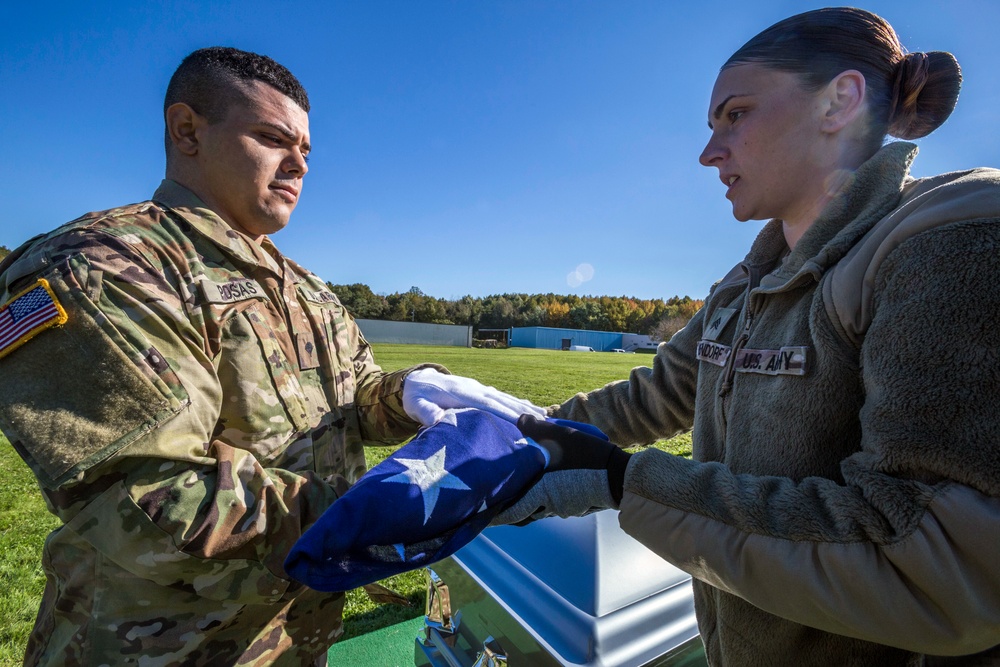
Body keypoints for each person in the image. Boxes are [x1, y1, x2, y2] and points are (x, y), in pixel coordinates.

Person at [0, 47, 541, 666]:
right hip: (160, 647)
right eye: (272, 138)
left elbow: (353, 390)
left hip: (293, 636)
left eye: (306, 152)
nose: (297, 165)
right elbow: (148, 501)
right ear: (187, 130)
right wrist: (390, 509)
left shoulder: (298, 284)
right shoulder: (100, 267)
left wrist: (404, 391)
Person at [498, 7, 1000, 666]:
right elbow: (646, 399)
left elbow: (936, 567)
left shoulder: (945, 238)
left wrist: (620, 482)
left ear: (839, 101)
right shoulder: (743, 285)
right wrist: (514, 441)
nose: (709, 153)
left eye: (735, 114)